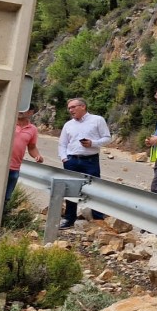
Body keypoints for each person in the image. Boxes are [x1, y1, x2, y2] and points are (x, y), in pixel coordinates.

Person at [58, 97, 112, 227]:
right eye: (69, 108)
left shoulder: (97, 120)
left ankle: (98, 219)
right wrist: (64, 158)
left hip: (90, 160)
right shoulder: (68, 124)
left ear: (83, 107)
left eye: (73, 107)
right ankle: (69, 219)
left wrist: (93, 143)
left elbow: (107, 138)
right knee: (71, 190)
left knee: (94, 188)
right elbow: (62, 144)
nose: (71, 110)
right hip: (71, 160)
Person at [5, 108, 43, 206]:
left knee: (6, 198)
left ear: (31, 112)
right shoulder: (7, 121)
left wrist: (37, 156)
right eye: (20, 108)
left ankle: (0, 220)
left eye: (25, 109)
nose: (20, 111)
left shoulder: (32, 129)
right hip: (1, 165)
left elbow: (32, 147)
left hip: (14, 169)